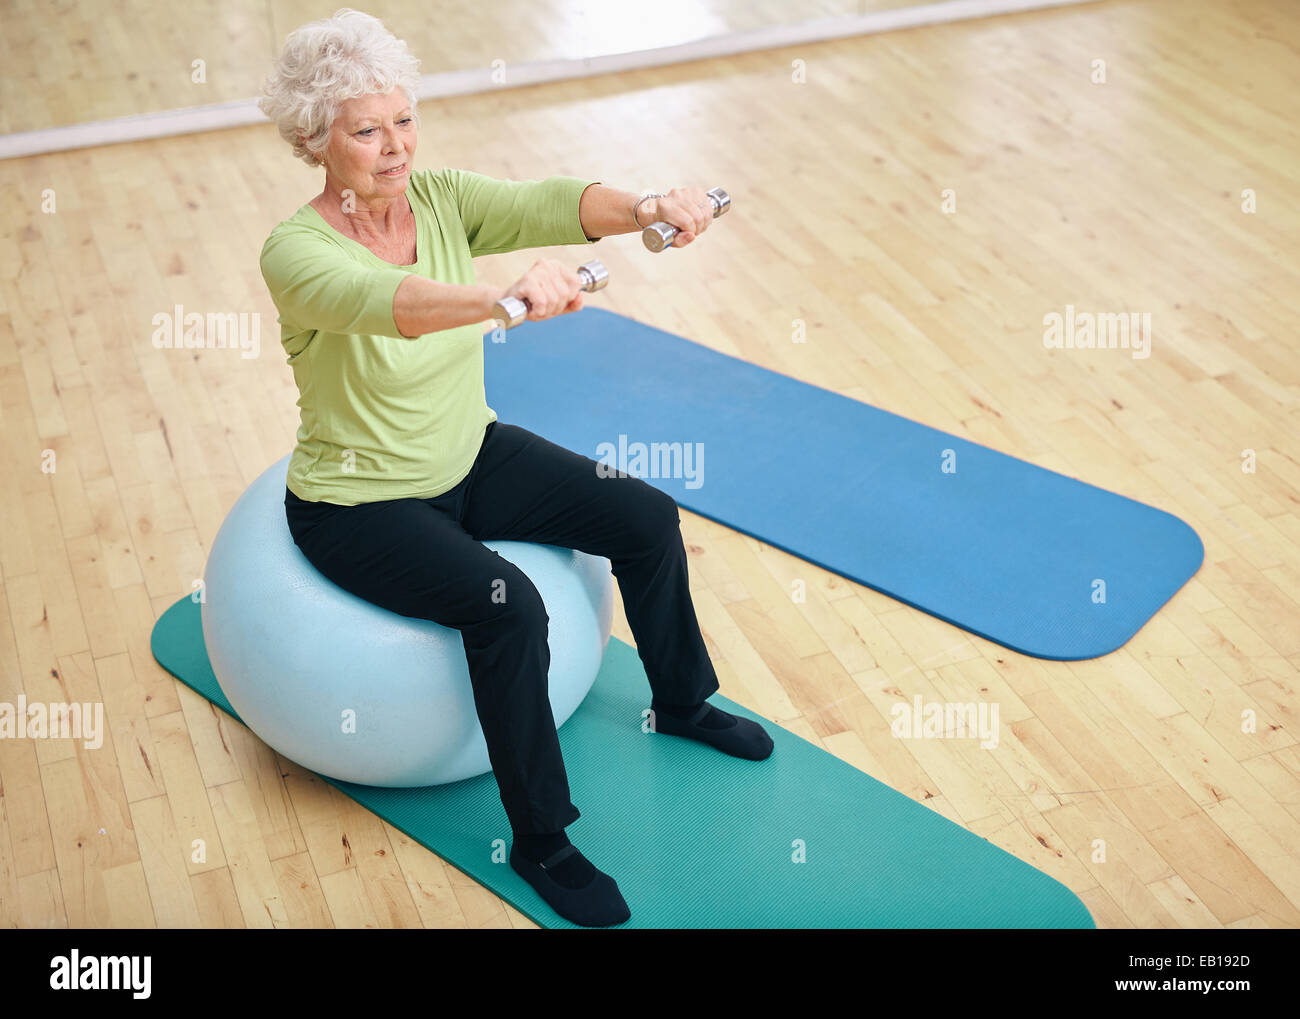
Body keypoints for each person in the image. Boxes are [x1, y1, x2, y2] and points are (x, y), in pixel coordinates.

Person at [256, 8, 773, 928]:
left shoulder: (443, 198)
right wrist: (502, 296)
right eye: (365, 130)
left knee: (645, 518)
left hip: (469, 451)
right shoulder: (296, 252)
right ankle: (542, 839)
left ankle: (685, 701)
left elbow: (554, 201)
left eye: (403, 120)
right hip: (359, 502)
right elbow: (396, 304)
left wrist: (649, 206)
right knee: (512, 607)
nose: (394, 147)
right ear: (314, 139)